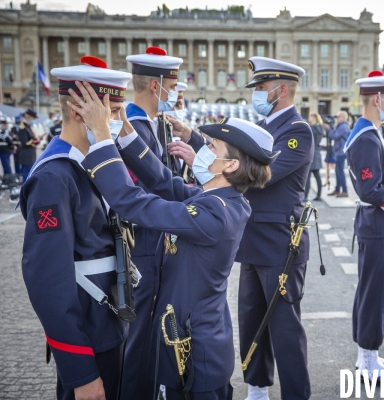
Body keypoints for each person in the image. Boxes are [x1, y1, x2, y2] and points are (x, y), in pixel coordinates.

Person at [72, 74, 277, 399]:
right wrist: (124, 129)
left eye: (212, 147)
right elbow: (164, 182)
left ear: (231, 164)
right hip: (192, 337)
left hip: (194, 350)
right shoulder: (219, 199)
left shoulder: (216, 213)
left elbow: (135, 204)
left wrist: (101, 137)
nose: (203, 150)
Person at [19, 56, 131, 400]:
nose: (116, 123)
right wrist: (80, 370)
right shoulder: (54, 176)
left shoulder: (89, 164)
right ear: (83, 113)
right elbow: (47, 282)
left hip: (110, 327)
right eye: (111, 114)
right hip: (89, 336)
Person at [122, 45, 206, 400]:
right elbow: (148, 189)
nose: (178, 91)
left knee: (152, 335)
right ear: (156, 86)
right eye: (173, 84)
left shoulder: (154, 124)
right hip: (142, 245)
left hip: (157, 243)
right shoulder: (134, 128)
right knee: (139, 338)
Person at [238, 56, 313, 400]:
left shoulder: (297, 130)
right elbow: (234, 156)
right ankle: (257, 387)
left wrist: (208, 164)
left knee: (284, 327)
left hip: (281, 243)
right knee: (251, 318)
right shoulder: (264, 128)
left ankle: (295, 394)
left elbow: (264, 176)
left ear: (281, 90)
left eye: (261, 87)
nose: (256, 93)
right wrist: (195, 139)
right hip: (253, 237)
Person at [343, 70, 384, 379]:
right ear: (377, 99)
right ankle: (368, 361)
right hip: (379, 223)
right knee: (376, 294)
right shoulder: (366, 136)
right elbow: (371, 190)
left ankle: (365, 355)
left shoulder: (370, 130)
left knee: (370, 292)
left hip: (375, 223)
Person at [327, 111, 350, 197]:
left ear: (343, 118)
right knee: (337, 171)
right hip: (339, 151)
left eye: (338, 117)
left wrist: (328, 129)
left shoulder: (343, 127)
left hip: (341, 152)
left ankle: (344, 191)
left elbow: (335, 136)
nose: (336, 118)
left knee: (340, 171)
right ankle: (337, 189)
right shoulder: (341, 126)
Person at [304, 113, 324, 201]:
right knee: (317, 176)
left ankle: (305, 196)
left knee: (307, 177)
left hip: (311, 153)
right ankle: (319, 195)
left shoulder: (311, 129)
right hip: (317, 153)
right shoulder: (320, 128)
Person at [16, 109, 40, 181]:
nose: (33, 120)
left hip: (29, 155)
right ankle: (25, 191)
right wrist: (35, 141)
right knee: (26, 175)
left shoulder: (27, 126)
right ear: (29, 117)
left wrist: (37, 140)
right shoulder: (23, 127)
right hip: (26, 156)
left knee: (29, 174)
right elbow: (25, 142)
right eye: (33, 118)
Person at [322, 118, 335, 189]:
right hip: (329, 150)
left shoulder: (331, 130)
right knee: (326, 165)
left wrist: (328, 129)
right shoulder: (327, 130)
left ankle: (328, 180)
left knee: (332, 166)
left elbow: (333, 137)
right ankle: (326, 180)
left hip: (332, 150)